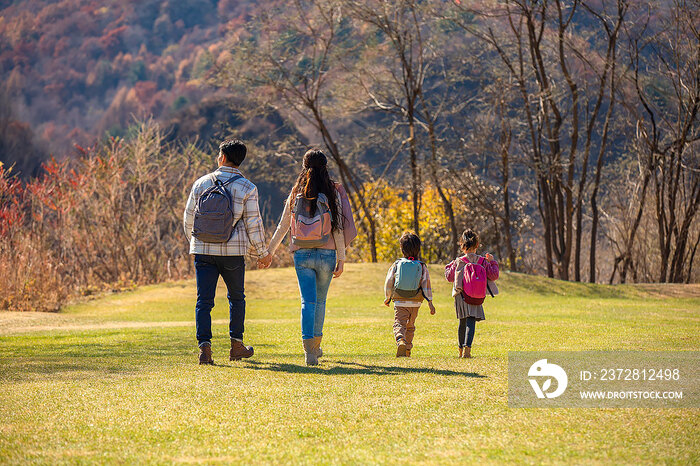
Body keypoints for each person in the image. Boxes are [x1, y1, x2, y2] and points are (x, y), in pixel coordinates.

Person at [183, 139, 272, 365]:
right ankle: (236, 346)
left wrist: (196, 243)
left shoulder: (201, 183)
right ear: (239, 161)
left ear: (222, 157)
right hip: (233, 253)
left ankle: (205, 349)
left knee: (204, 300)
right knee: (236, 298)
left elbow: (189, 218)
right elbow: (254, 223)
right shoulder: (247, 187)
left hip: (203, 251)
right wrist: (263, 252)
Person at [266, 149, 356, 366]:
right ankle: (316, 346)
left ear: (304, 167)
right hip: (327, 253)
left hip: (302, 253)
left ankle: (309, 352)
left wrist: (269, 251)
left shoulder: (297, 191)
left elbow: (284, 225)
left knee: (308, 301)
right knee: (321, 301)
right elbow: (339, 228)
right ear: (325, 166)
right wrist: (341, 258)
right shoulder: (334, 191)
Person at [444, 229, 499, 358]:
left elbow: (449, 277)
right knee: (471, 321)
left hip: (461, 295)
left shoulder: (459, 261)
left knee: (462, 321)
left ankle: (460, 350)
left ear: (462, 245)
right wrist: (493, 261)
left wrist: (449, 266)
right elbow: (494, 275)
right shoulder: (482, 261)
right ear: (477, 245)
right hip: (477, 296)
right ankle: (468, 349)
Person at [383, 232, 436, 357]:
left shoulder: (397, 264)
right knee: (410, 326)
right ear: (418, 249)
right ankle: (407, 350)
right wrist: (430, 303)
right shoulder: (421, 266)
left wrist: (387, 297)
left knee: (399, 323)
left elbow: (389, 282)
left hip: (400, 301)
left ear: (402, 249)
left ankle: (400, 340)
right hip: (416, 303)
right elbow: (426, 285)